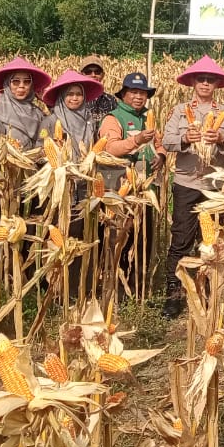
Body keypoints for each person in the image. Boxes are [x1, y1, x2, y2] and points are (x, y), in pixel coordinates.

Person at [159, 56, 224, 319]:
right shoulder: (179, 110)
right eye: (201, 79)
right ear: (193, 82)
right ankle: (175, 292)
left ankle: (210, 290)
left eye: (210, 79)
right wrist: (184, 138)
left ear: (216, 84)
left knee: (214, 240)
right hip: (186, 182)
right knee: (182, 238)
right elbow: (167, 141)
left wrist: (220, 138)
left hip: (215, 185)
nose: (205, 83)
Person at [98, 72, 160, 296]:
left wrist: (160, 157)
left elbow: (160, 145)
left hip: (146, 190)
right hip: (122, 190)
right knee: (120, 242)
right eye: (133, 92)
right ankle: (116, 290)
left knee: (143, 241)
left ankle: (139, 289)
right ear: (123, 95)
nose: (138, 97)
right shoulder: (112, 119)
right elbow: (109, 148)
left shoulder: (148, 117)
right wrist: (136, 140)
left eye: (142, 93)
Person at [0, 57, 52, 152]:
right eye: (16, 82)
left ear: (32, 85)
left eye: (27, 81)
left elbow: (50, 133)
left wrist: (48, 102)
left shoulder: (38, 113)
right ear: (7, 84)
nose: (21, 86)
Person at [41, 70, 104, 160]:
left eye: (79, 94)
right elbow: (40, 146)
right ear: (62, 96)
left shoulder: (90, 120)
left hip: (87, 170)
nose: (74, 98)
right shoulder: (49, 122)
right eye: (70, 94)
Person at [79, 57, 119, 123]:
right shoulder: (74, 99)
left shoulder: (110, 100)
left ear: (103, 75)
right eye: (88, 72)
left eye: (97, 72)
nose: (93, 75)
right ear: (81, 75)